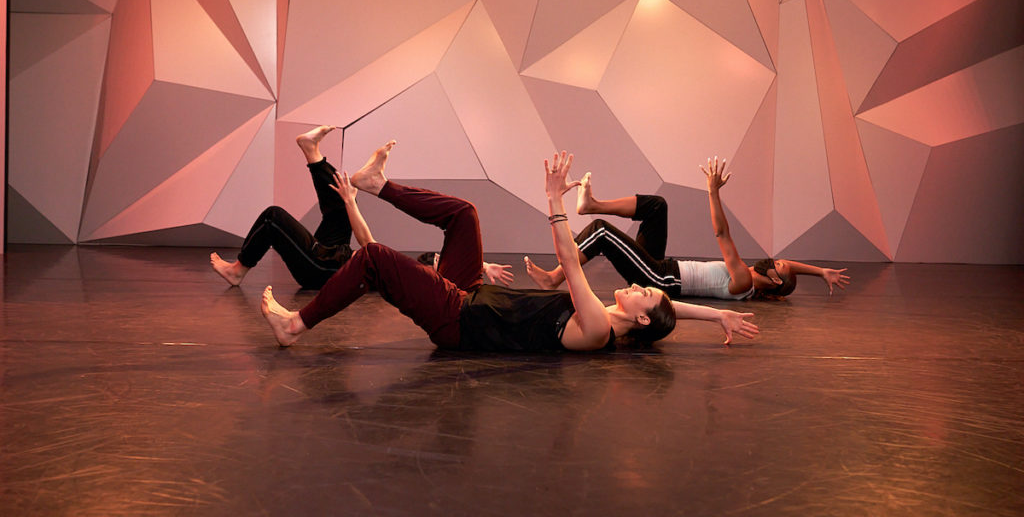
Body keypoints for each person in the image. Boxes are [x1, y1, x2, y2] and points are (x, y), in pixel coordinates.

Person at [260, 143, 759, 351]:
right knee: (465, 214)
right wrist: (716, 316)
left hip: (461, 320)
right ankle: (377, 185)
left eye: (644, 295)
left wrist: (552, 200)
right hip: (472, 293)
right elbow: (669, 308)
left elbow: (569, 261)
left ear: (641, 319)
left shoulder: (597, 330)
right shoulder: (616, 318)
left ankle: (294, 326)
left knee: (373, 258)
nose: (638, 287)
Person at [210, 126, 514, 289]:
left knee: (273, 218)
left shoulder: (414, 278)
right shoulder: (425, 263)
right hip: (338, 257)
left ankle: (238, 271)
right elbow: (445, 259)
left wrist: (353, 201)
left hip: (325, 271)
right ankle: (312, 152)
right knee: (339, 208)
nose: (439, 261)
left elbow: (369, 246)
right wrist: (483, 266)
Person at [524, 156, 850, 300]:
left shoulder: (742, 282)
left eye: (779, 267)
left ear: (775, 282)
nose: (778, 260)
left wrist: (713, 192)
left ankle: (554, 278)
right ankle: (592, 204)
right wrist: (821, 273)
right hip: (662, 266)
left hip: (660, 278)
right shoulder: (757, 278)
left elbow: (722, 234)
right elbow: (790, 267)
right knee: (657, 207)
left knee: (601, 231)